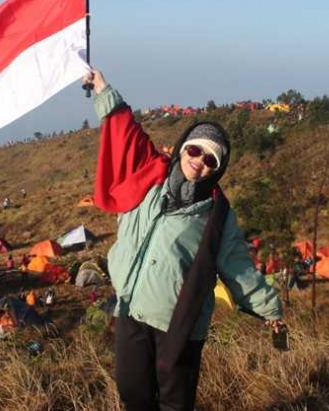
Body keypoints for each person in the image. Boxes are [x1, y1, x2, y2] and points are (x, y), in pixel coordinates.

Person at [83, 69, 284, 411]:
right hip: (132, 309)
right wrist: (103, 90)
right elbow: (125, 132)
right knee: (133, 395)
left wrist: (269, 308)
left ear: (218, 169)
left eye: (211, 160)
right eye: (195, 150)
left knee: (175, 404)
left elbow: (237, 266)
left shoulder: (217, 215)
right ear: (182, 149)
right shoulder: (149, 176)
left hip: (179, 325)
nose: (199, 162)